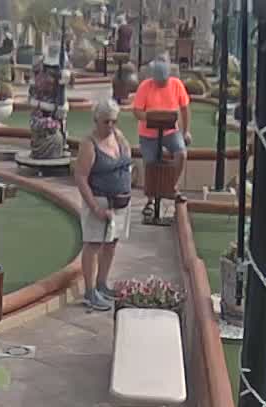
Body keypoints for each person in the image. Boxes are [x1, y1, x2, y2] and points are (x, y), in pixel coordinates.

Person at [73, 98, 133, 311]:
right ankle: (90, 292)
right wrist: (95, 208)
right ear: (96, 120)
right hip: (99, 201)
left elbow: (127, 159)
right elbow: (80, 177)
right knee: (93, 245)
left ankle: (102, 284)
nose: (110, 126)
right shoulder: (89, 144)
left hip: (119, 202)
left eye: (113, 121)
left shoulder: (118, 137)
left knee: (112, 243)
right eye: (106, 122)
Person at [132, 57, 191, 221]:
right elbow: (137, 111)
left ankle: (171, 186)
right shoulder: (145, 87)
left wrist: (186, 131)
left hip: (171, 132)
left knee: (181, 154)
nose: (161, 84)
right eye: (158, 81)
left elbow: (185, 109)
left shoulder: (176, 84)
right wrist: (153, 117)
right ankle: (150, 200)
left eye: (164, 81)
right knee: (150, 162)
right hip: (148, 134)